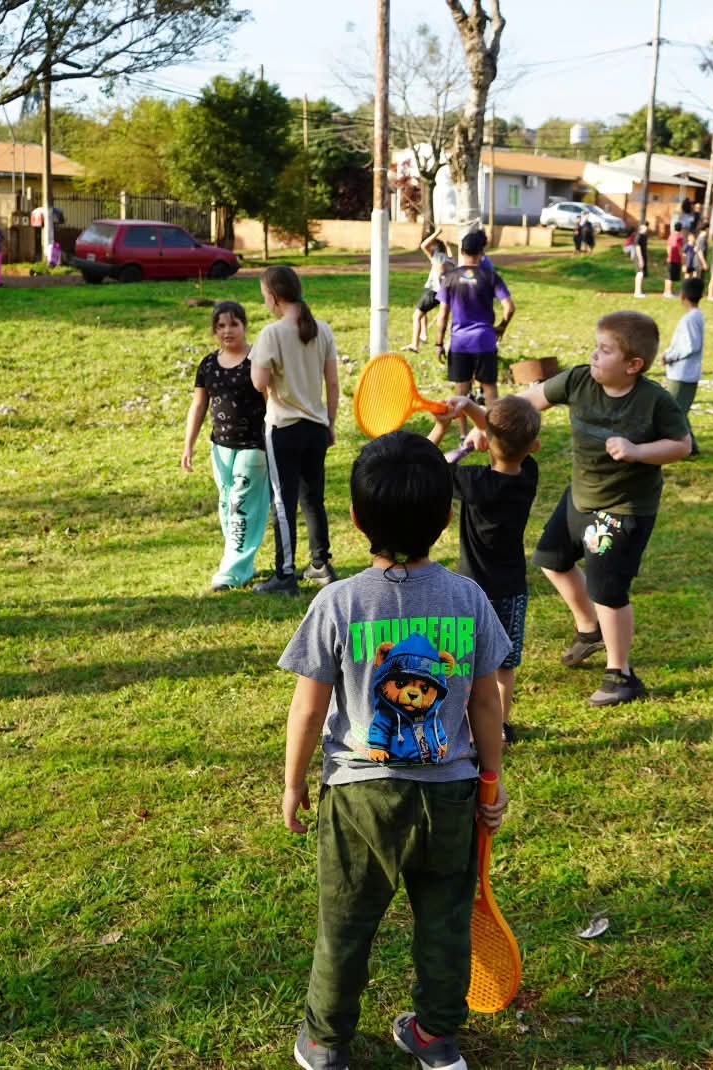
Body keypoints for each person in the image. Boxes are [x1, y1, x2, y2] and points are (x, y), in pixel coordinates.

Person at [278, 430, 510, 1070]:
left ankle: (326, 1042)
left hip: (360, 799)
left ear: (356, 519)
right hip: (452, 797)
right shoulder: (468, 598)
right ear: (447, 518)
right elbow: (486, 701)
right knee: (445, 922)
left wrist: (294, 784)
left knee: (345, 922)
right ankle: (437, 1037)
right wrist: (491, 780)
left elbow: (308, 708)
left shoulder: (338, 602)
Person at [525, 312, 692, 706]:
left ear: (633, 365)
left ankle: (621, 674)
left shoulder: (654, 401)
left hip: (622, 509)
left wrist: (638, 451)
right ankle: (590, 629)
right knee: (551, 559)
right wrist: (487, 420)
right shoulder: (578, 380)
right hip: (580, 495)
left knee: (608, 590)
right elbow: (528, 402)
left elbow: (682, 445)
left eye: (605, 350)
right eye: (595, 347)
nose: (594, 356)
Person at [428, 394, 541, 744]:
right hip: (512, 590)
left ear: (488, 443)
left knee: (462, 660)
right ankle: (500, 727)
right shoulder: (529, 475)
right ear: (534, 446)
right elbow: (503, 435)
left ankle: (460, 724)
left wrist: (461, 442)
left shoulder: (475, 482)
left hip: (472, 592)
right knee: (504, 664)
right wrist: (471, 410)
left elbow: (433, 465)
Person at [250, 265, 340, 595]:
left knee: (283, 502)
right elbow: (333, 383)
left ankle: (285, 574)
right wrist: (330, 423)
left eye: (265, 297)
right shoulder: (323, 330)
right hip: (316, 427)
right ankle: (320, 564)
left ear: (274, 297)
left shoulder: (271, 334)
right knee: (313, 498)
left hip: (283, 427)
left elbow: (258, 382)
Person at [181, 301, 270, 591]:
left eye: (233, 324)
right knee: (226, 503)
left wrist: (276, 440)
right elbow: (198, 406)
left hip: (253, 447)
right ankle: (243, 562)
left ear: (245, 326)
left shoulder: (258, 360)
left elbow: (271, 401)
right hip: (220, 447)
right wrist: (188, 445)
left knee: (241, 504)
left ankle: (231, 573)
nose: (227, 331)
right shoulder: (208, 364)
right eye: (220, 326)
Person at [435, 228, 514, 437]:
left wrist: (439, 343)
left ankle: (463, 435)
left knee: (461, 392)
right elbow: (509, 307)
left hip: (460, 342)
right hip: (485, 340)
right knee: (490, 391)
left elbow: (442, 315)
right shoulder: (491, 276)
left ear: (461, 252)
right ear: (482, 253)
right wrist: (501, 327)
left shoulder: (450, 278)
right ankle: (494, 435)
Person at [661, 276, 705, 456]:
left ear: (683, 296)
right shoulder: (697, 316)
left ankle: (686, 447)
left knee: (674, 412)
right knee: (678, 411)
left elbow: (691, 345)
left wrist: (670, 356)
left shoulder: (690, 319)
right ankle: (691, 447)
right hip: (683, 372)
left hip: (682, 373)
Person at [406, 228, 452, 353]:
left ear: (435, 247)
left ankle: (415, 345)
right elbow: (450, 254)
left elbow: (423, 245)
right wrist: (448, 246)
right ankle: (424, 335)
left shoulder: (436, 257)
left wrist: (437, 232)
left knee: (416, 316)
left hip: (433, 291)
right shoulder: (451, 260)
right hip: (443, 293)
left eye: (432, 244)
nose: (430, 246)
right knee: (423, 311)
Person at [663, 222, 685, 299]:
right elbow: (680, 249)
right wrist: (683, 259)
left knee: (668, 276)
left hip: (670, 258)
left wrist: (669, 255)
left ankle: (666, 291)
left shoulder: (671, 236)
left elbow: (668, 247)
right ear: (681, 229)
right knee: (671, 277)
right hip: (676, 259)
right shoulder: (680, 237)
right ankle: (669, 292)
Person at [631, 223, 650, 298]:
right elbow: (637, 248)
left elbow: (645, 248)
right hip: (639, 257)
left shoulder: (644, 236)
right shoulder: (639, 236)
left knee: (642, 274)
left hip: (643, 257)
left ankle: (640, 292)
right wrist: (640, 259)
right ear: (641, 228)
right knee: (639, 273)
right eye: (644, 226)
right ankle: (637, 292)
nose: (646, 228)